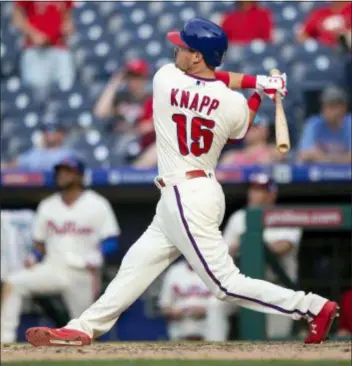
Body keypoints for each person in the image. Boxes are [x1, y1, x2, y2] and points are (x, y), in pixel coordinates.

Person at [25, 18, 336, 348]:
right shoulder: (230, 102)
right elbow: (242, 128)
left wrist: (254, 83)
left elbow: (213, 82)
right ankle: (82, 328)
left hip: (186, 196)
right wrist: (260, 90)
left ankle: (312, 307)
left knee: (225, 284)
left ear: (197, 57)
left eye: (183, 47)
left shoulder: (165, 79)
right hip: (193, 192)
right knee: (135, 266)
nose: (176, 50)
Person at [1, 157, 120, 344]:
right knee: (13, 283)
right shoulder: (47, 205)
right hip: (53, 267)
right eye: (60, 171)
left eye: (68, 171)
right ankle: (4, 339)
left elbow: (111, 239)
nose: (62, 175)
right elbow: (39, 244)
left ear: (80, 176)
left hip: (83, 271)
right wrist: (34, 256)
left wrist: (99, 254)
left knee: (85, 330)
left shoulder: (98, 204)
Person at [205, 173, 302, 341]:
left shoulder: (287, 216)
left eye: (261, 190)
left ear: (272, 194)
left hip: (277, 287)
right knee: (216, 306)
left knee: (276, 340)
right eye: (253, 189)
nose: (255, 194)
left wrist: (245, 246)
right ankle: (213, 351)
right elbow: (224, 252)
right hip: (245, 286)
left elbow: (283, 247)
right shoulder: (239, 218)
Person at [13, 1, 76, 97]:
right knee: (37, 93)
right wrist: (33, 34)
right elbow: (17, 18)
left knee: (66, 88)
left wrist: (68, 26)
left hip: (59, 47)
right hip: (36, 50)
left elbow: (68, 16)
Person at [159, 259, 215, 341]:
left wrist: (207, 310)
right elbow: (164, 308)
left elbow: (225, 306)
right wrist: (174, 312)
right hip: (181, 325)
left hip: (208, 326)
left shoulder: (215, 270)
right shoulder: (174, 271)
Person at [298, 86, 351, 164]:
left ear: (343, 108)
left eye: (333, 106)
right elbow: (303, 155)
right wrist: (342, 158)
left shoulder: (349, 123)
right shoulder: (313, 124)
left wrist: (325, 158)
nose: (329, 110)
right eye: (326, 106)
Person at [5, 122, 77, 171]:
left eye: (53, 131)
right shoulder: (35, 153)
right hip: (33, 189)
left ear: (61, 134)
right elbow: (12, 165)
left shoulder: (68, 154)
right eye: (46, 131)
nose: (48, 134)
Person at [220, 115, 285, 166]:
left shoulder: (274, 152)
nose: (248, 129)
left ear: (265, 130)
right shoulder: (231, 157)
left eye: (253, 126)